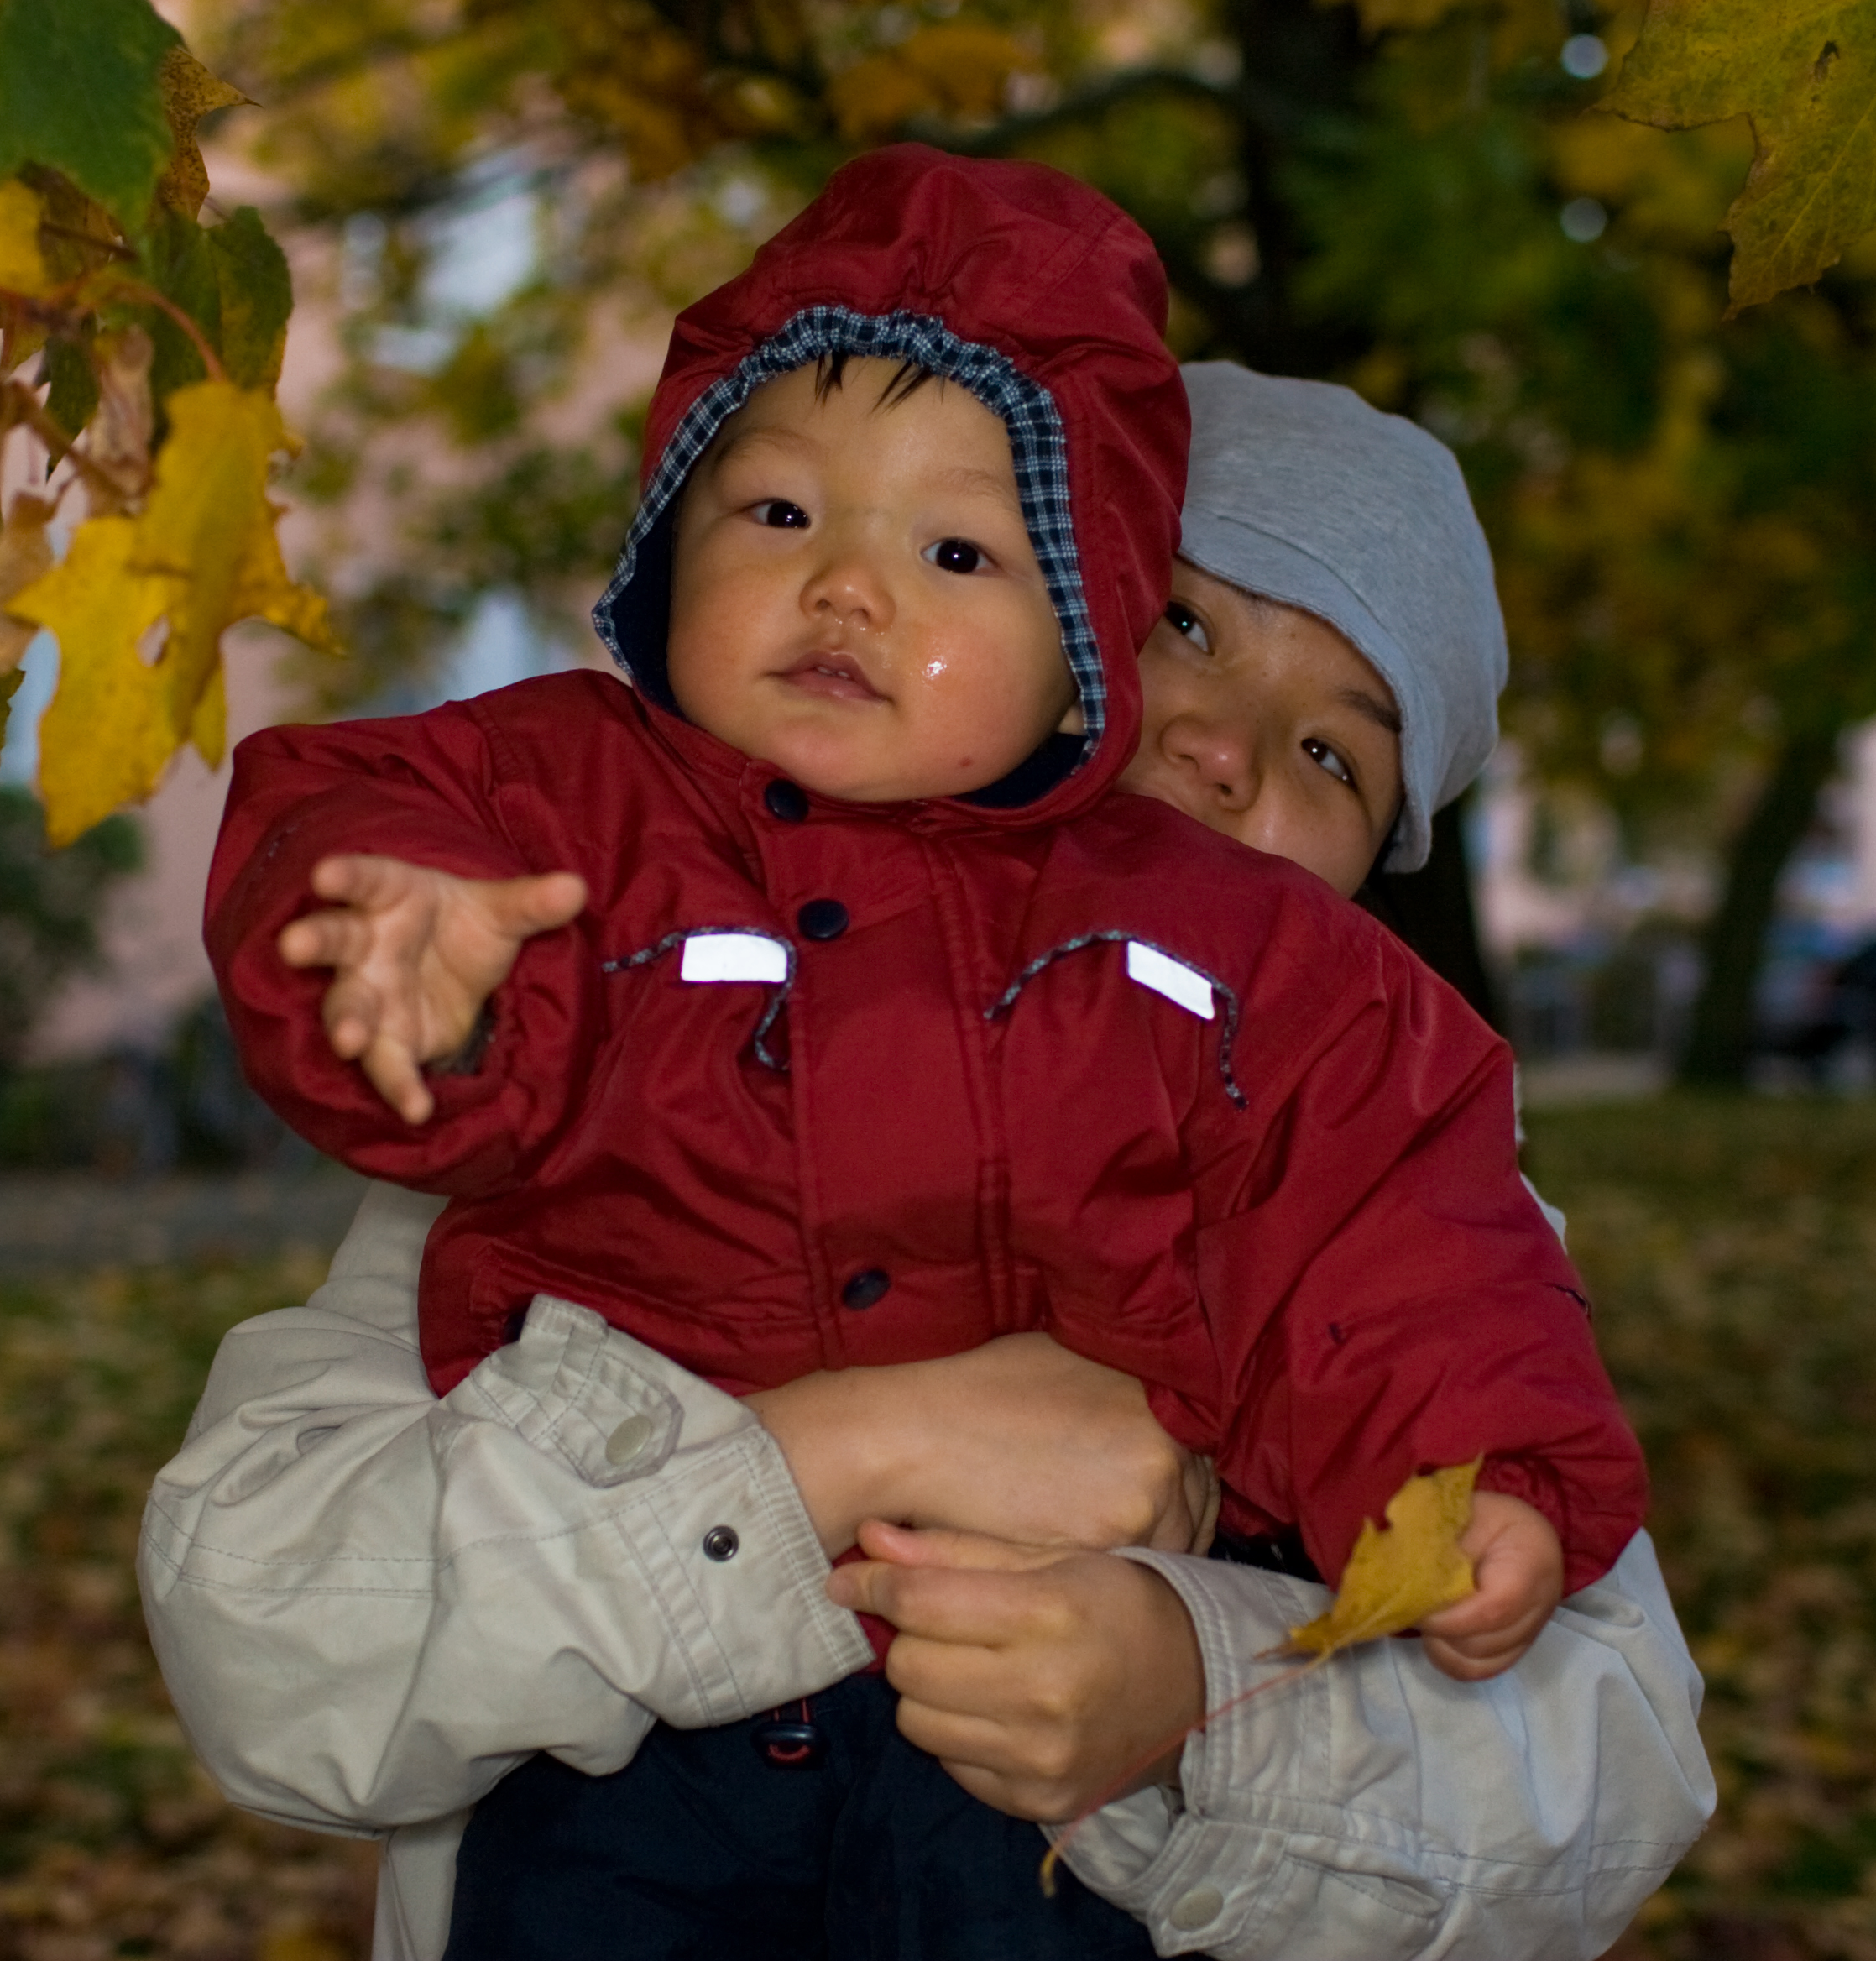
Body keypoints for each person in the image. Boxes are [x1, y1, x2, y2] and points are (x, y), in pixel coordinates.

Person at [168, 149, 1685, 1954]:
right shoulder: (597, 1055)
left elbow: (1607, 1775)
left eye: (1331, 757)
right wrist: (844, 1452)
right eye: (1185, 627)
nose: (1223, 749)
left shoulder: (1401, 1193)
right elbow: (266, 1649)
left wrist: (1195, 1682)